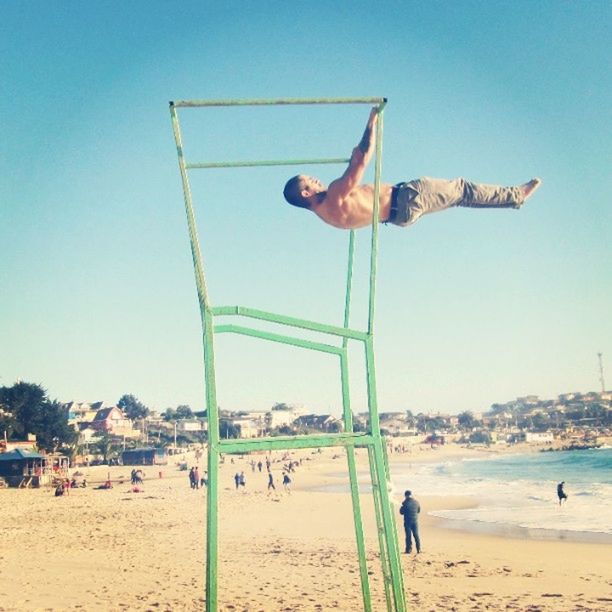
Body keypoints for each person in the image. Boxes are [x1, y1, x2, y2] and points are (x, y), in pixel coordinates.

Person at [283, 108, 541, 230]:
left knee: (460, 197)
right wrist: (373, 120)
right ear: (305, 194)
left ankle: (514, 200)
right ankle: (516, 195)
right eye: (310, 181)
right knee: (462, 188)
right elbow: (361, 161)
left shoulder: (328, 217)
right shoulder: (334, 195)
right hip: (407, 197)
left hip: (399, 217)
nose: (316, 179)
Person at [399, 490, 421, 554]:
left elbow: (401, 512)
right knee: (416, 535)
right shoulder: (417, 502)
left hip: (408, 522)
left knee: (408, 536)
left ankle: (408, 549)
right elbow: (418, 511)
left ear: (406, 496)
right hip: (415, 521)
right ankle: (418, 549)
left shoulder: (405, 503)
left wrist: (402, 505)